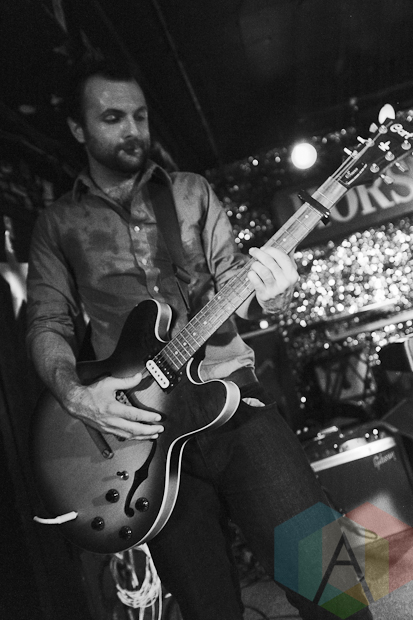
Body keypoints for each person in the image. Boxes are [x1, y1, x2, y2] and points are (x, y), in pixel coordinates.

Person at [26, 55, 373, 620]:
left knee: (329, 583)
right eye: (113, 118)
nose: (134, 130)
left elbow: (236, 277)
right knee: (208, 606)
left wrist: (274, 294)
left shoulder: (191, 193)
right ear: (78, 129)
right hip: (142, 435)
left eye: (140, 116)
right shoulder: (57, 224)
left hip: (232, 399)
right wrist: (74, 394)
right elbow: (48, 320)